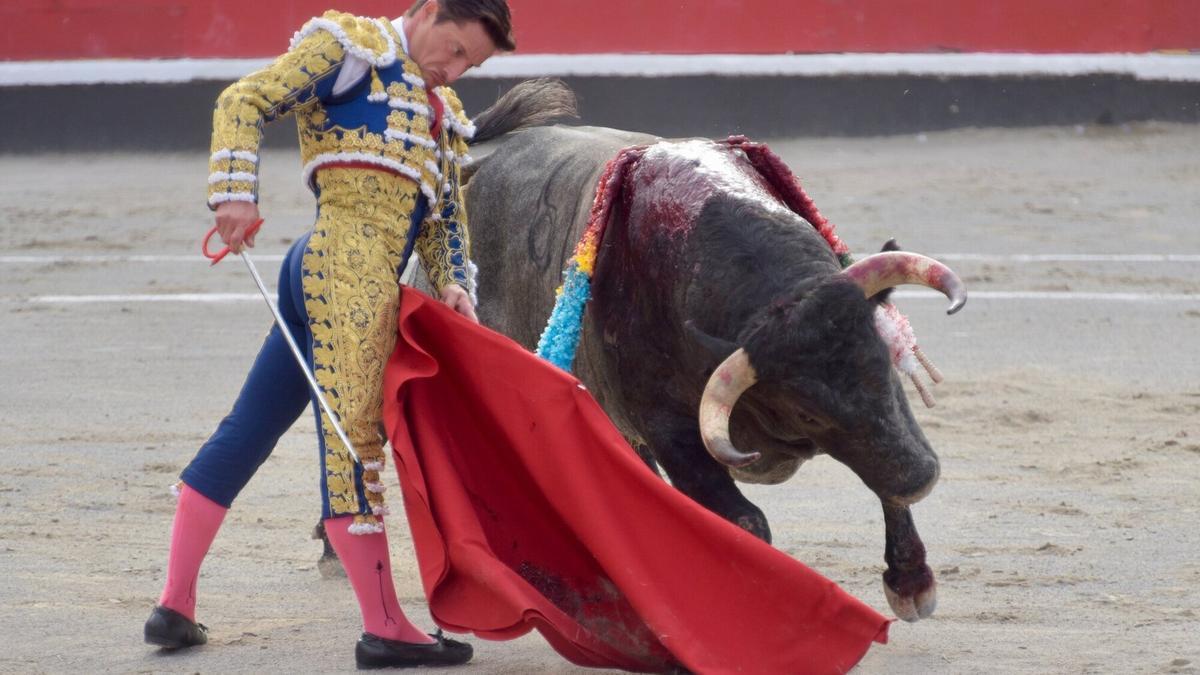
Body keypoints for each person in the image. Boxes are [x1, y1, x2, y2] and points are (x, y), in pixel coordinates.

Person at [143, 1, 515, 669]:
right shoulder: (351, 49)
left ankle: (174, 605)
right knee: (354, 440)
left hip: (325, 272)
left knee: (250, 426)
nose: (453, 69)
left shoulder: (441, 112)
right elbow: (244, 100)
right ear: (428, 11)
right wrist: (234, 191)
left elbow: (444, 223)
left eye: (470, 64)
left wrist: (455, 282)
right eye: (454, 49)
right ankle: (384, 625)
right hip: (345, 273)